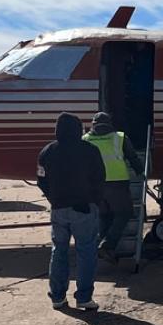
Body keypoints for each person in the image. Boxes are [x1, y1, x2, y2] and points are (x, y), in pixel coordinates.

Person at [36, 112, 105, 311]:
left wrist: (53, 198)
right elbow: (100, 178)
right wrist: (94, 201)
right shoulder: (90, 150)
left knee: (59, 252)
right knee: (86, 252)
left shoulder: (47, 151)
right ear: (79, 129)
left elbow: (41, 179)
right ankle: (84, 297)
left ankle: (57, 297)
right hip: (84, 208)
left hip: (59, 209)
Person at [85, 112, 145, 263]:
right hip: (117, 183)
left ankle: (105, 249)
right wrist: (141, 172)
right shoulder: (119, 137)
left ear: (93, 124)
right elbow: (132, 157)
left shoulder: (85, 139)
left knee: (104, 216)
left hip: (95, 186)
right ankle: (107, 245)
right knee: (125, 213)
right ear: (110, 123)